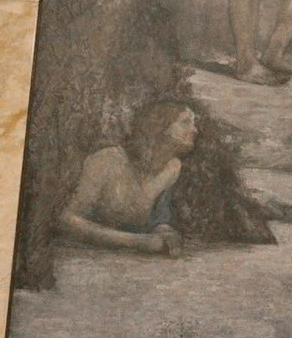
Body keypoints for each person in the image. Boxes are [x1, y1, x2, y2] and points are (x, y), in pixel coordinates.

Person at [56, 97, 199, 257]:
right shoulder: (108, 160)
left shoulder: (172, 167)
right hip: (85, 257)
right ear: (159, 126)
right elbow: (66, 221)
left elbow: (158, 219)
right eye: (185, 122)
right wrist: (138, 242)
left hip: (130, 262)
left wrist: (165, 232)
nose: (195, 130)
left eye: (193, 123)